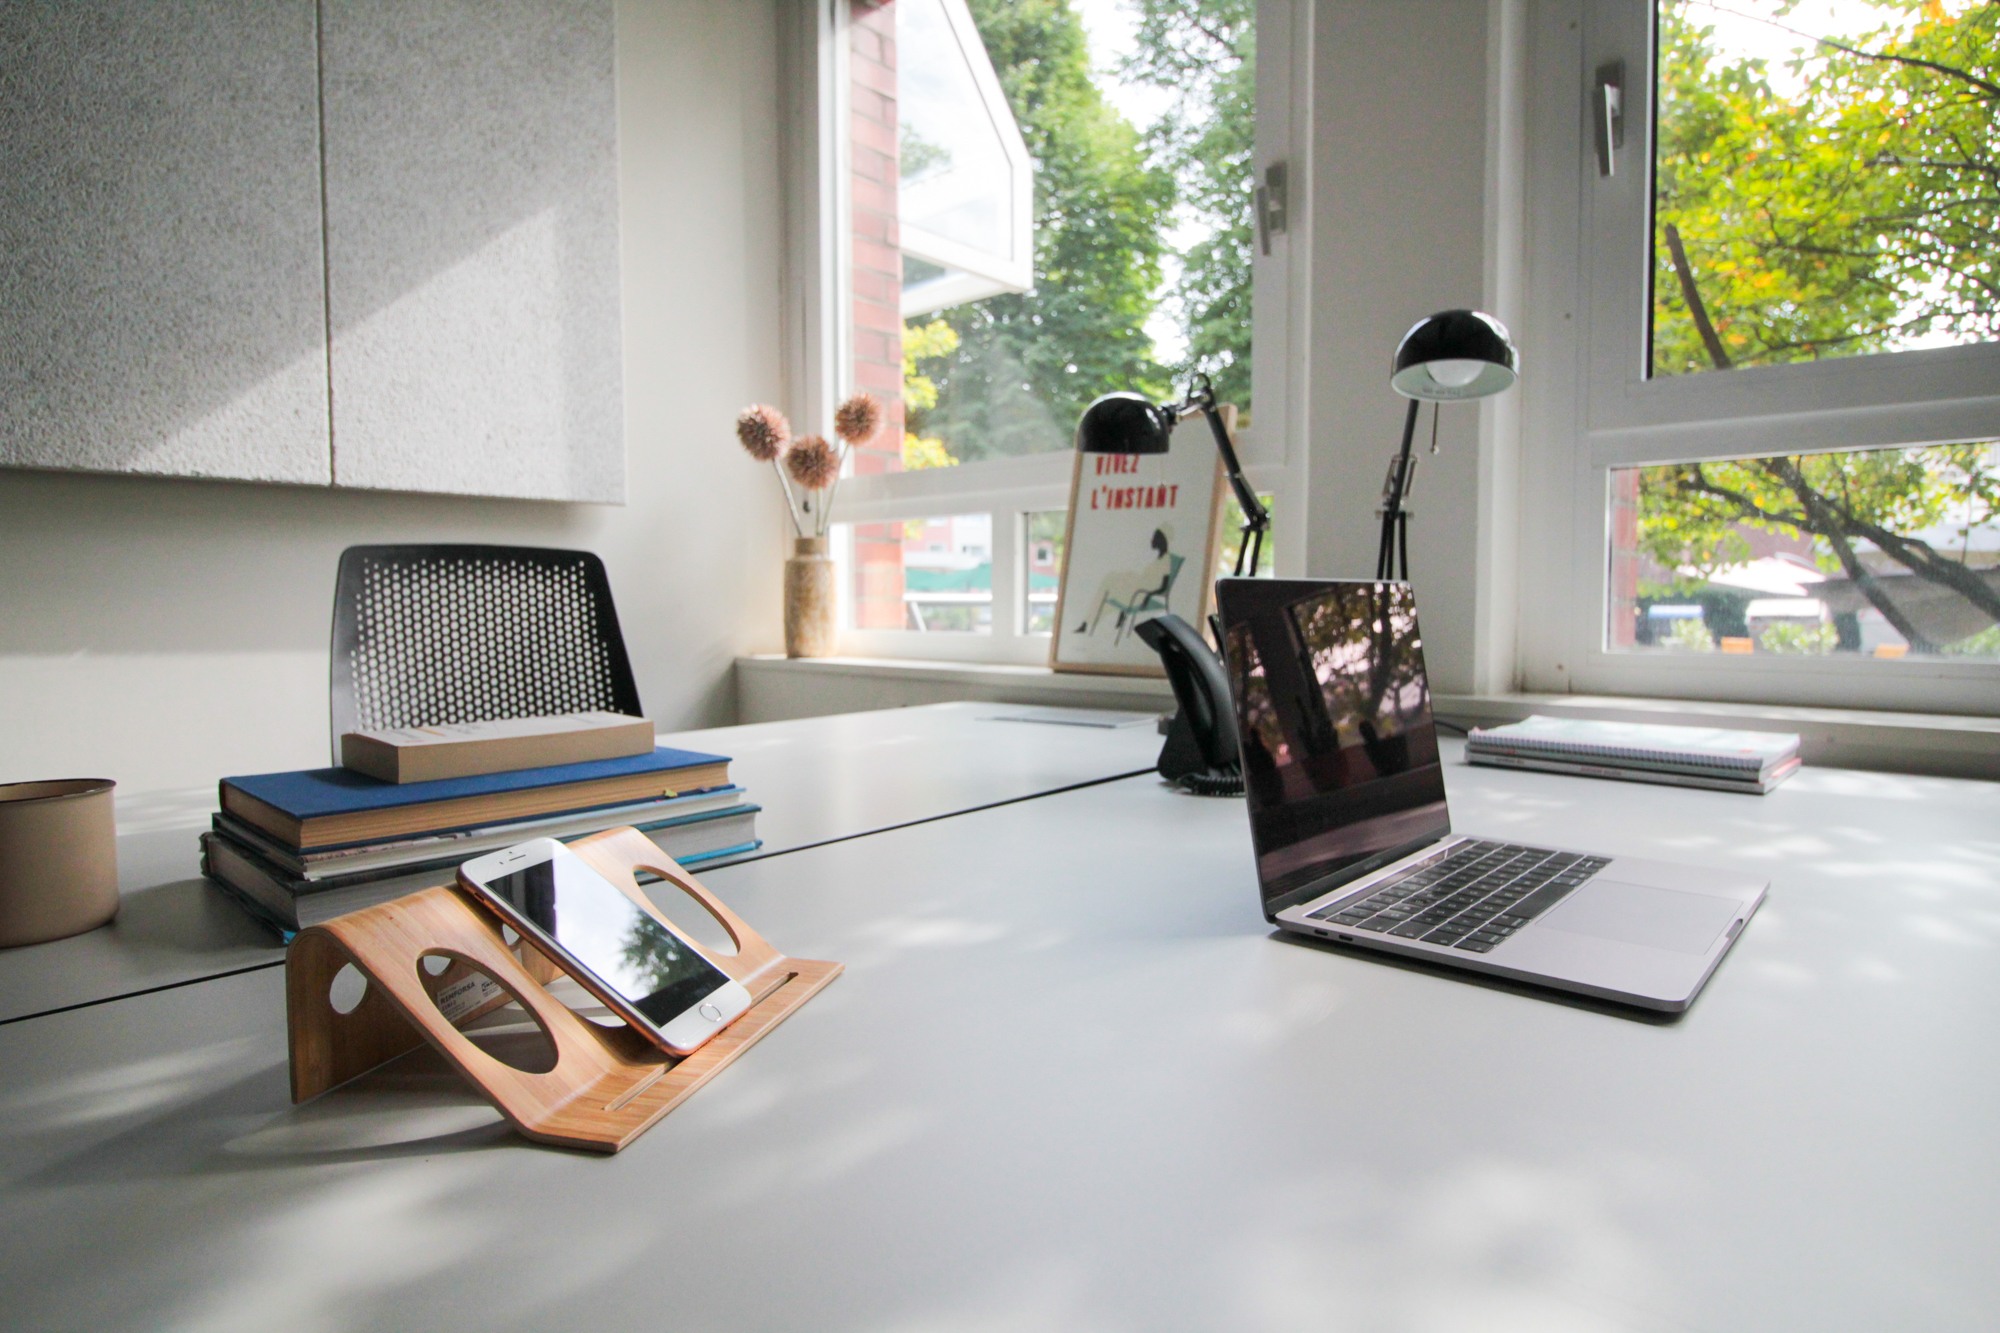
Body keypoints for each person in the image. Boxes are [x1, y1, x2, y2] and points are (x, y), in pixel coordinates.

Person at [1075, 526, 1178, 638]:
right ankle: (1089, 622)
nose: (1151, 541)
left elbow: (1164, 587)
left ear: (1160, 540)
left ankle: (1088, 622)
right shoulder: (1159, 558)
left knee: (1109, 591)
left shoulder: (1166, 560)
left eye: (1154, 538)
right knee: (1109, 583)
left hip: (1140, 594)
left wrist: (1149, 595)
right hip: (1137, 588)